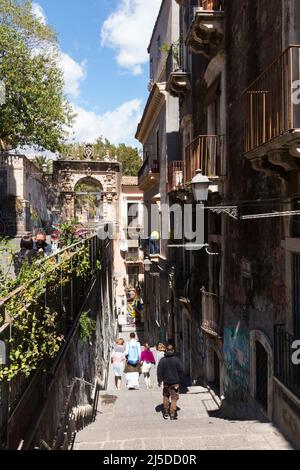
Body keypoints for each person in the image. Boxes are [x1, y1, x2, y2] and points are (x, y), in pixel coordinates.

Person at [157, 344, 184, 420]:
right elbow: (181, 371)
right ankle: (172, 413)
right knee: (174, 398)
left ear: (166, 350)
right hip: (175, 382)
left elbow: (159, 372)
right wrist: (179, 380)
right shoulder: (176, 360)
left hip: (166, 382)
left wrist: (160, 380)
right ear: (173, 350)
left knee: (166, 396)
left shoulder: (162, 360)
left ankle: (165, 413)